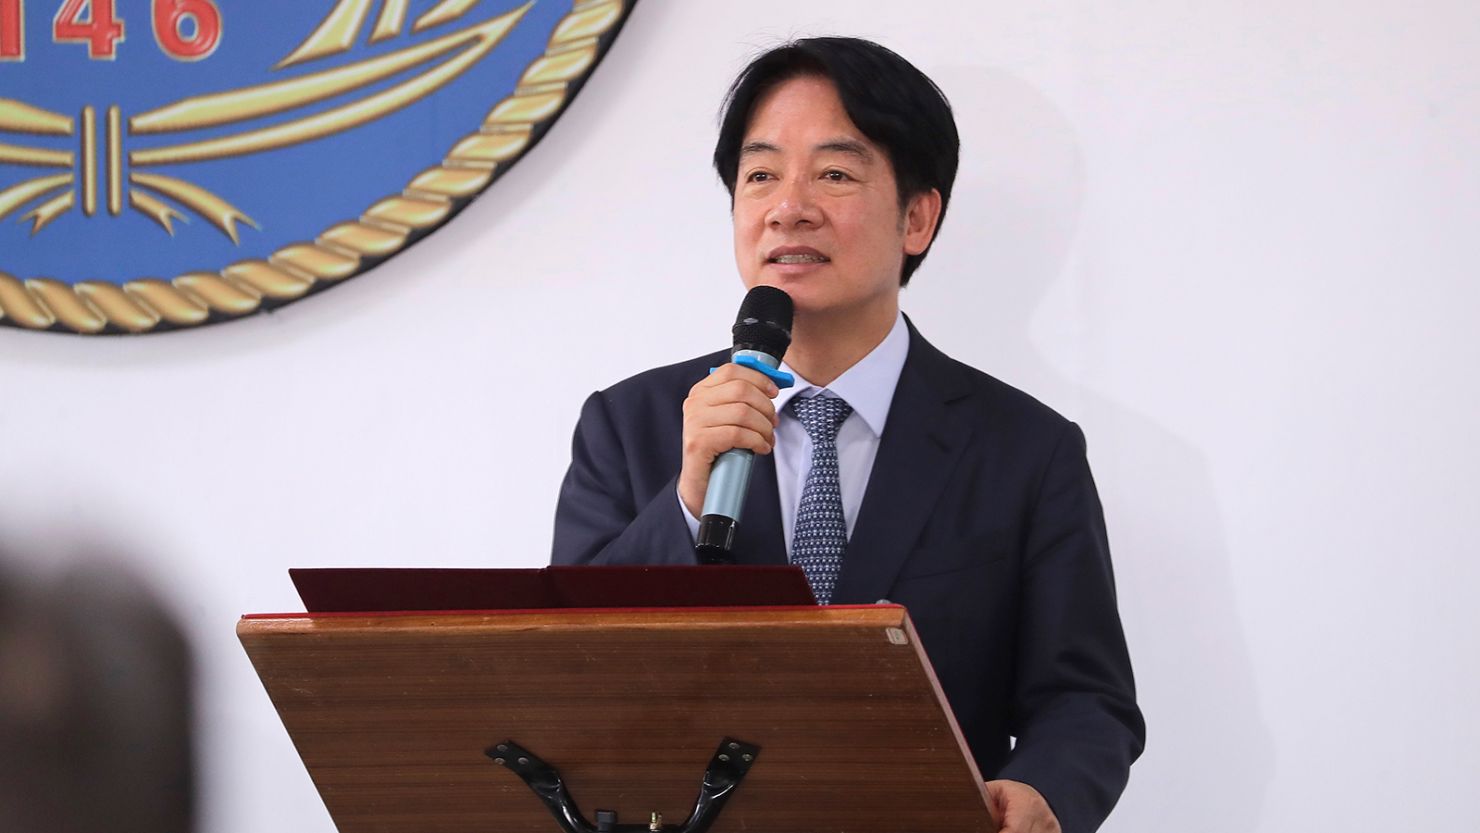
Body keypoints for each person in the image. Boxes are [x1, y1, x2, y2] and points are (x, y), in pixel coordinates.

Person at [552, 37, 1144, 833]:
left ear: (917, 217)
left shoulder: (1026, 448)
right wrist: (687, 502)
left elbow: (1086, 698)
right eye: (761, 174)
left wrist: (1043, 793)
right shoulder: (632, 424)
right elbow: (563, 669)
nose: (787, 206)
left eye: (833, 172)